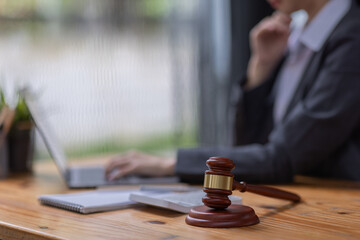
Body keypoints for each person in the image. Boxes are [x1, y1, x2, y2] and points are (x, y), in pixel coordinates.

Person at [106, 0, 360, 183]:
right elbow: (248, 147)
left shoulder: (351, 39)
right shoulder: (297, 35)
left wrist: (170, 165)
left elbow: (282, 157)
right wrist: (260, 68)